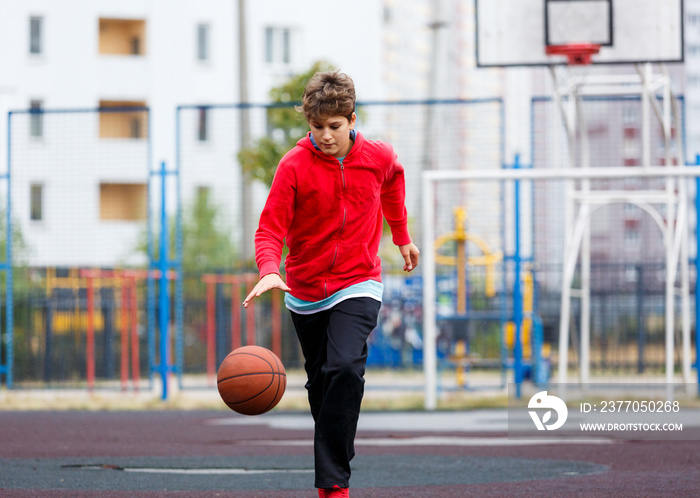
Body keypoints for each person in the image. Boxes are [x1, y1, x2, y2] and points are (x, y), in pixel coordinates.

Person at [243, 70, 419, 498]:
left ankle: (332, 483)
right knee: (322, 384)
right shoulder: (293, 165)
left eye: (334, 127)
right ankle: (335, 456)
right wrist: (270, 269)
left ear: (352, 120)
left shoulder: (377, 157)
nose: (325, 136)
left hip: (359, 280)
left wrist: (401, 236)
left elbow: (393, 182)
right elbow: (270, 230)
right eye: (316, 127)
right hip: (304, 290)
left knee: (344, 368)